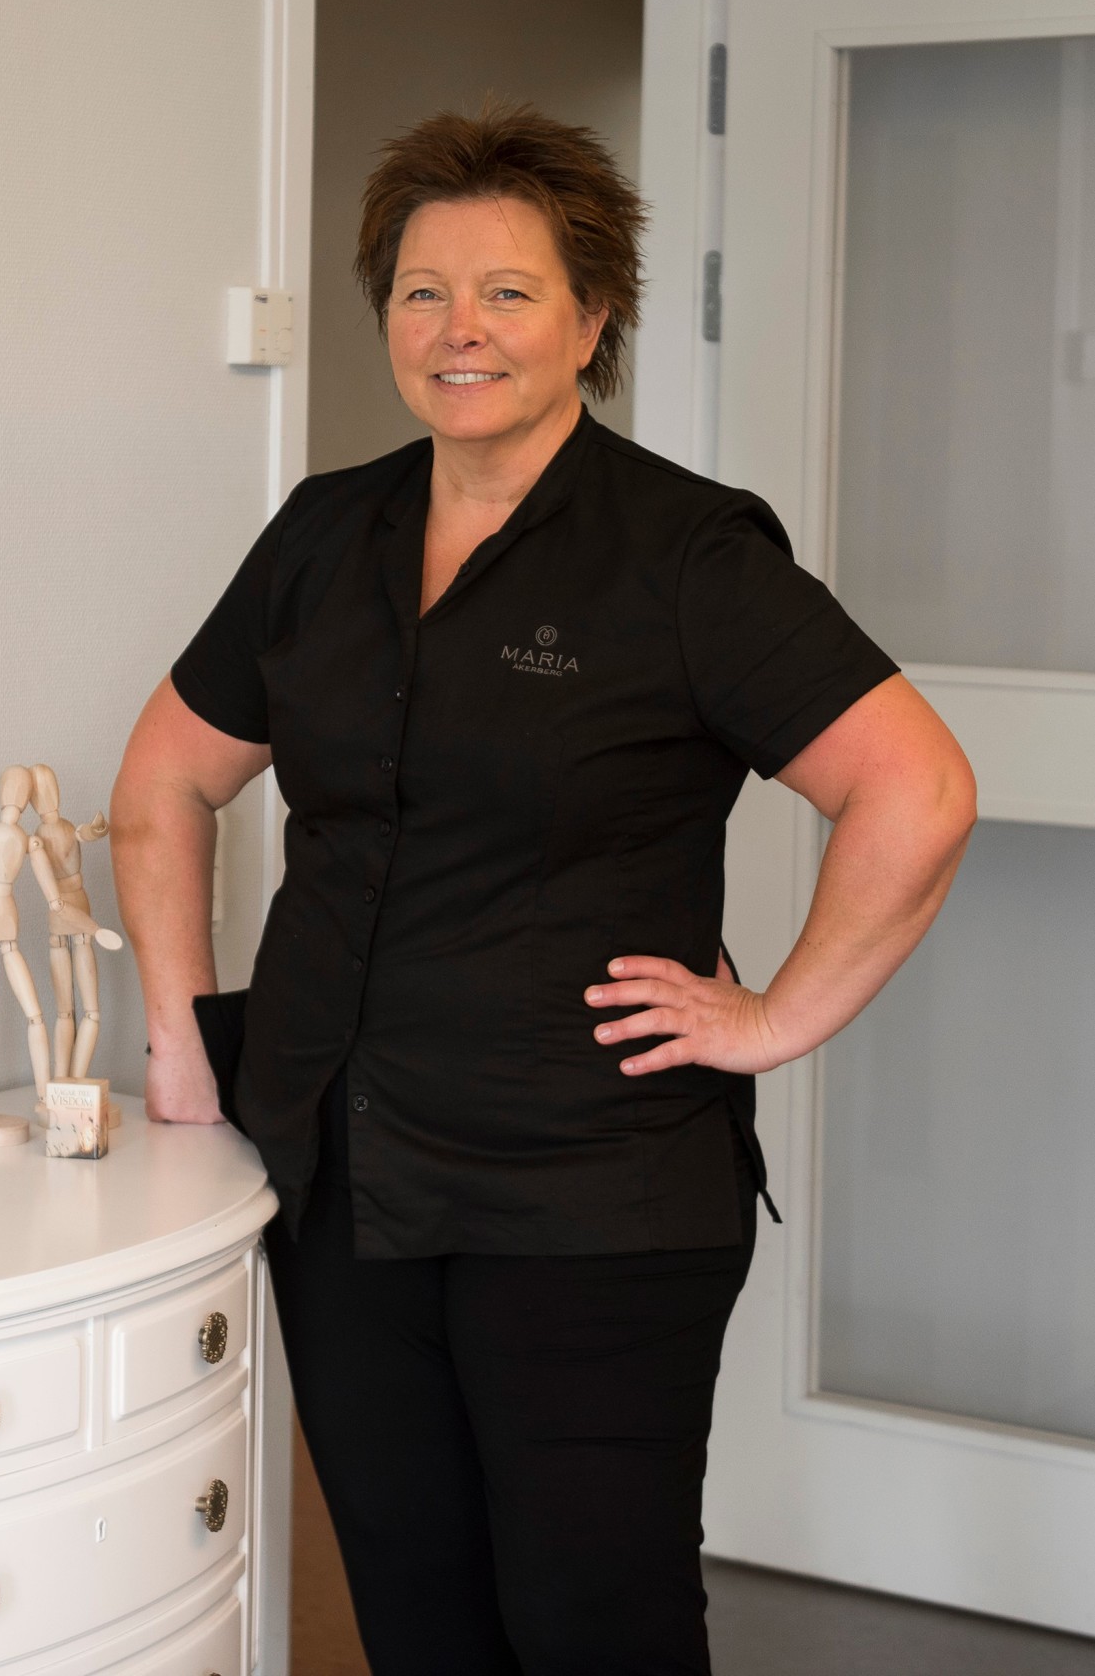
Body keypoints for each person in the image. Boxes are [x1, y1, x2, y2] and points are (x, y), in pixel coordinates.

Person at [110, 104, 976, 1676]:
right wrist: (180, 1040)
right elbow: (165, 779)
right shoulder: (324, 534)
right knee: (416, 1610)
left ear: (590, 320)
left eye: (507, 292)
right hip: (345, 1182)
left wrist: (774, 1017)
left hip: (587, 1200)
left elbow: (913, 790)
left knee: (592, 1626)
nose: (460, 328)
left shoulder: (686, 556)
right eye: (422, 291)